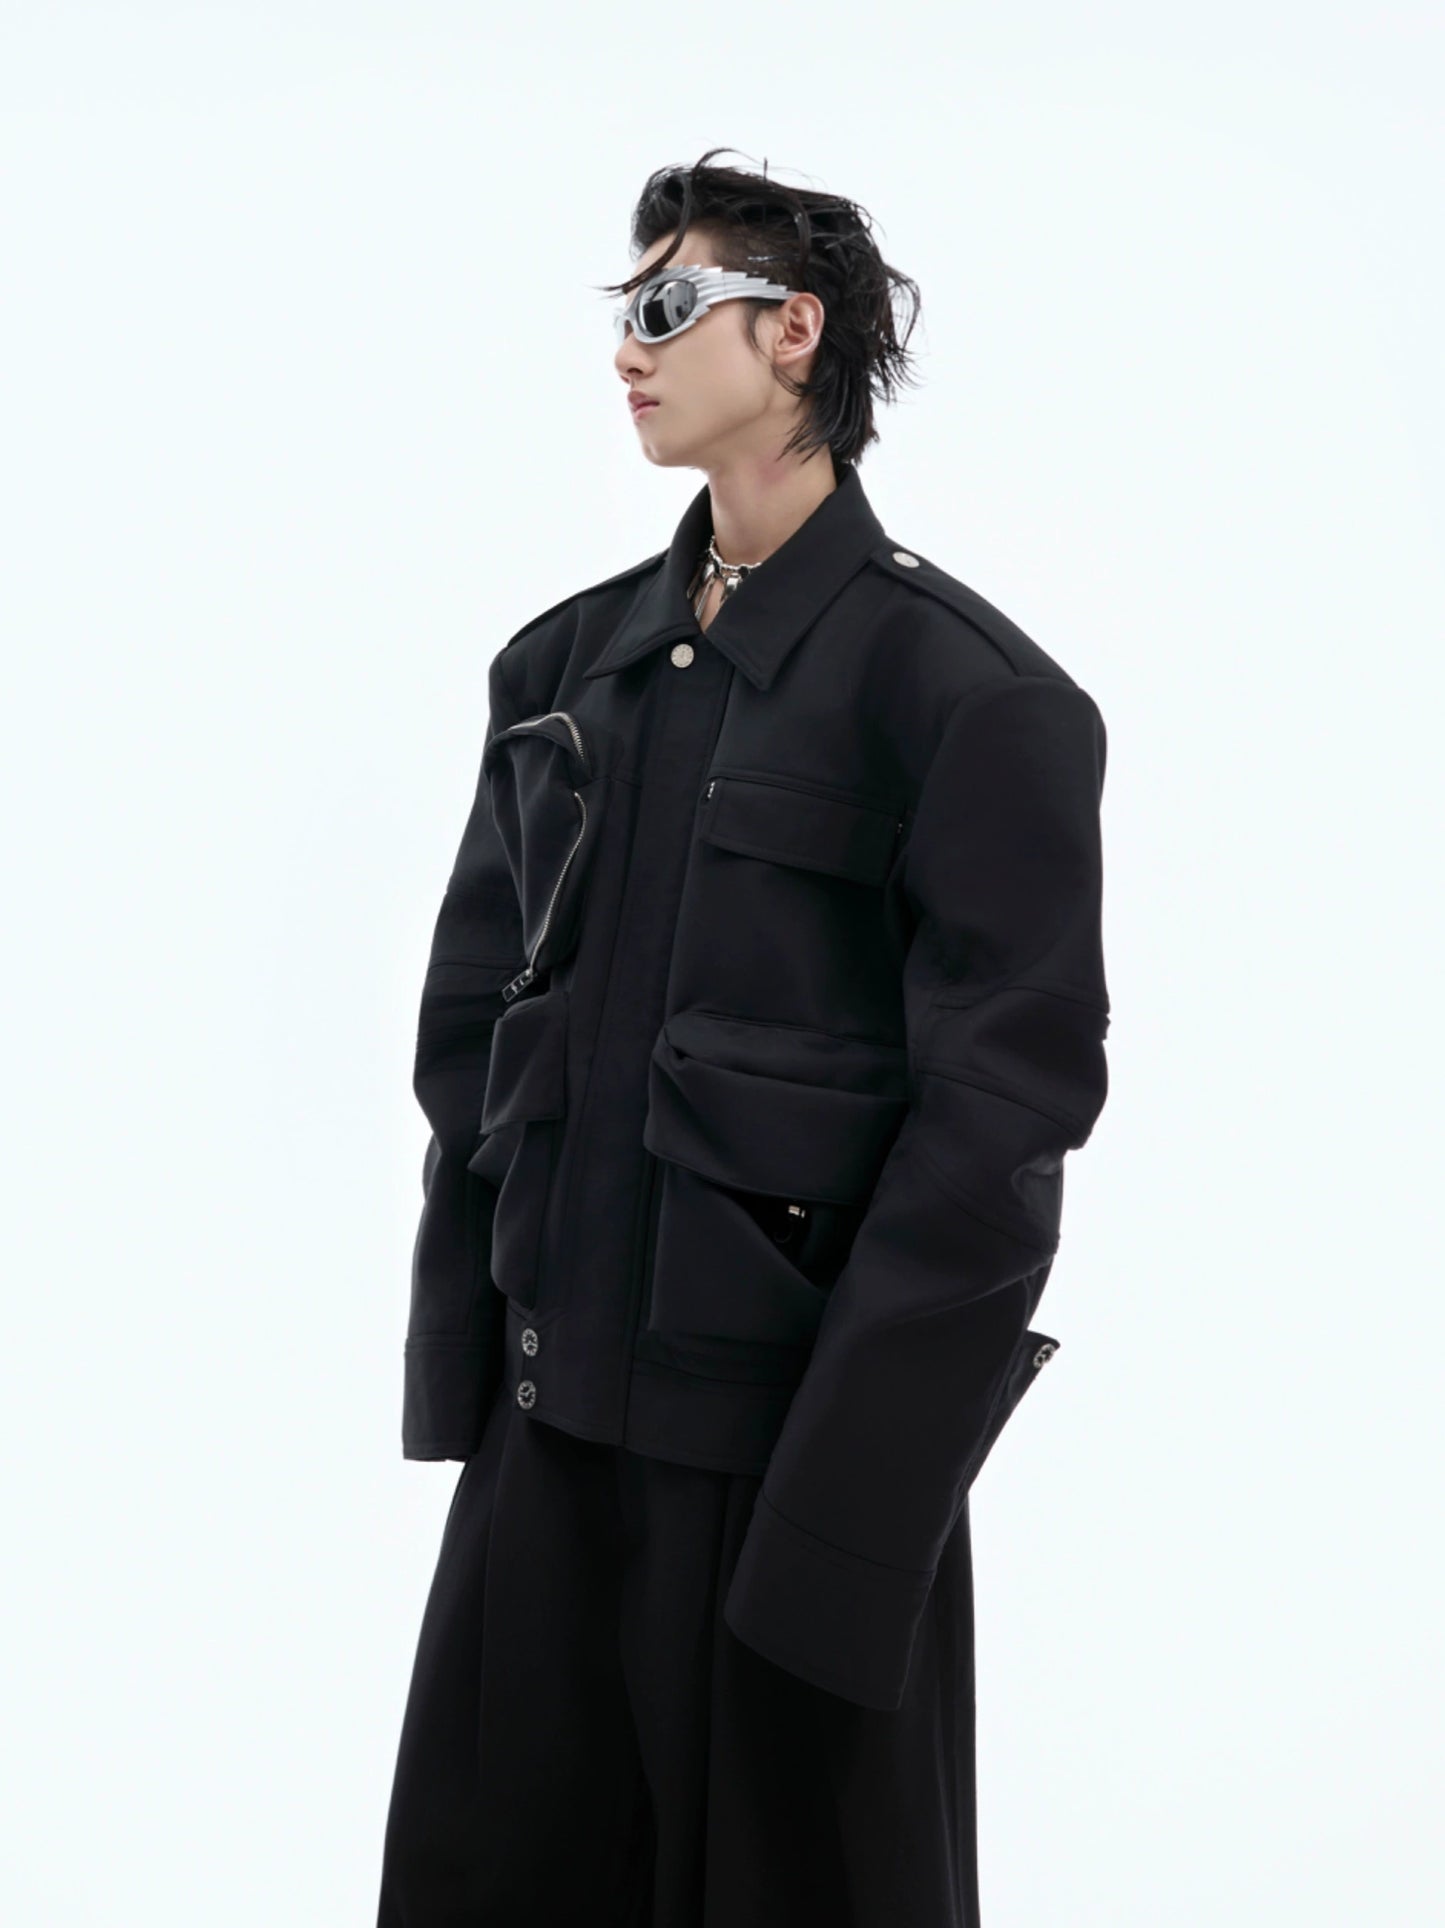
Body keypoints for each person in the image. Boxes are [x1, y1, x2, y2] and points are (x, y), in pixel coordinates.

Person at [377, 146, 1111, 1928]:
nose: (625, 349)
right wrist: (464, 1375)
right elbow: (472, 1043)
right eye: (618, 312)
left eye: (665, 303)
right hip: (548, 1450)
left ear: (793, 334)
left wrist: (850, 1513)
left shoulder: (968, 697)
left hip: (784, 1471)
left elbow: (995, 1132)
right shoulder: (565, 671)